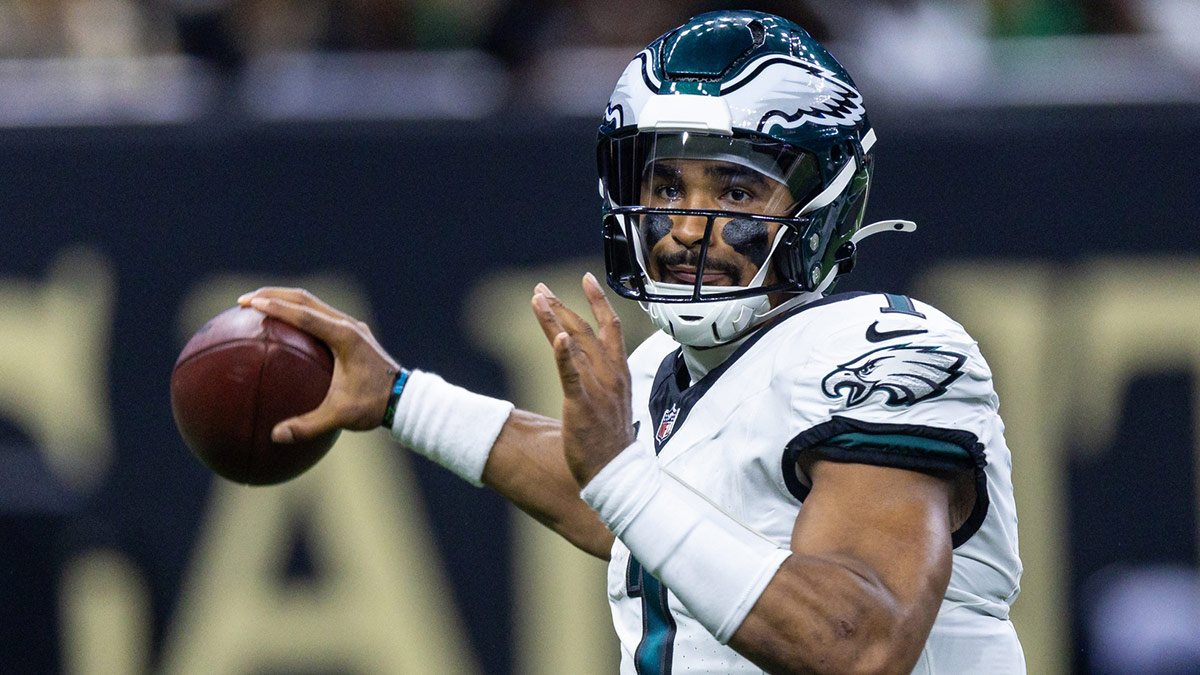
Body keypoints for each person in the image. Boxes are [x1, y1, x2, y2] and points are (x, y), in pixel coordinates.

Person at [238, 10, 1024, 674]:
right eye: (666, 186)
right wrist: (401, 397)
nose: (686, 226)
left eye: (737, 188)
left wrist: (620, 474)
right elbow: (627, 506)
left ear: (825, 200)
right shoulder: (667, 370)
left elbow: (858, 643)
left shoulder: (884, 349)